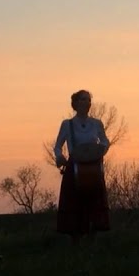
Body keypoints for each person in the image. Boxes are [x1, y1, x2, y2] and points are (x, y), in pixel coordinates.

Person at [53, 89, 111, 245]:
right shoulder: (67, 124)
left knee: (94, 203)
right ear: (76, 103)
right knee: (74, 204)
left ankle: (92, 241)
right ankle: (75, 242)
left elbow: (105, 141)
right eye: (84, 99)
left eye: (89, 99)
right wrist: (59, 157)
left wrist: (100, 151)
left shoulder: (97, 123)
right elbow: (58, 146)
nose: (87, 102)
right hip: (75, 168)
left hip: (93, 167)